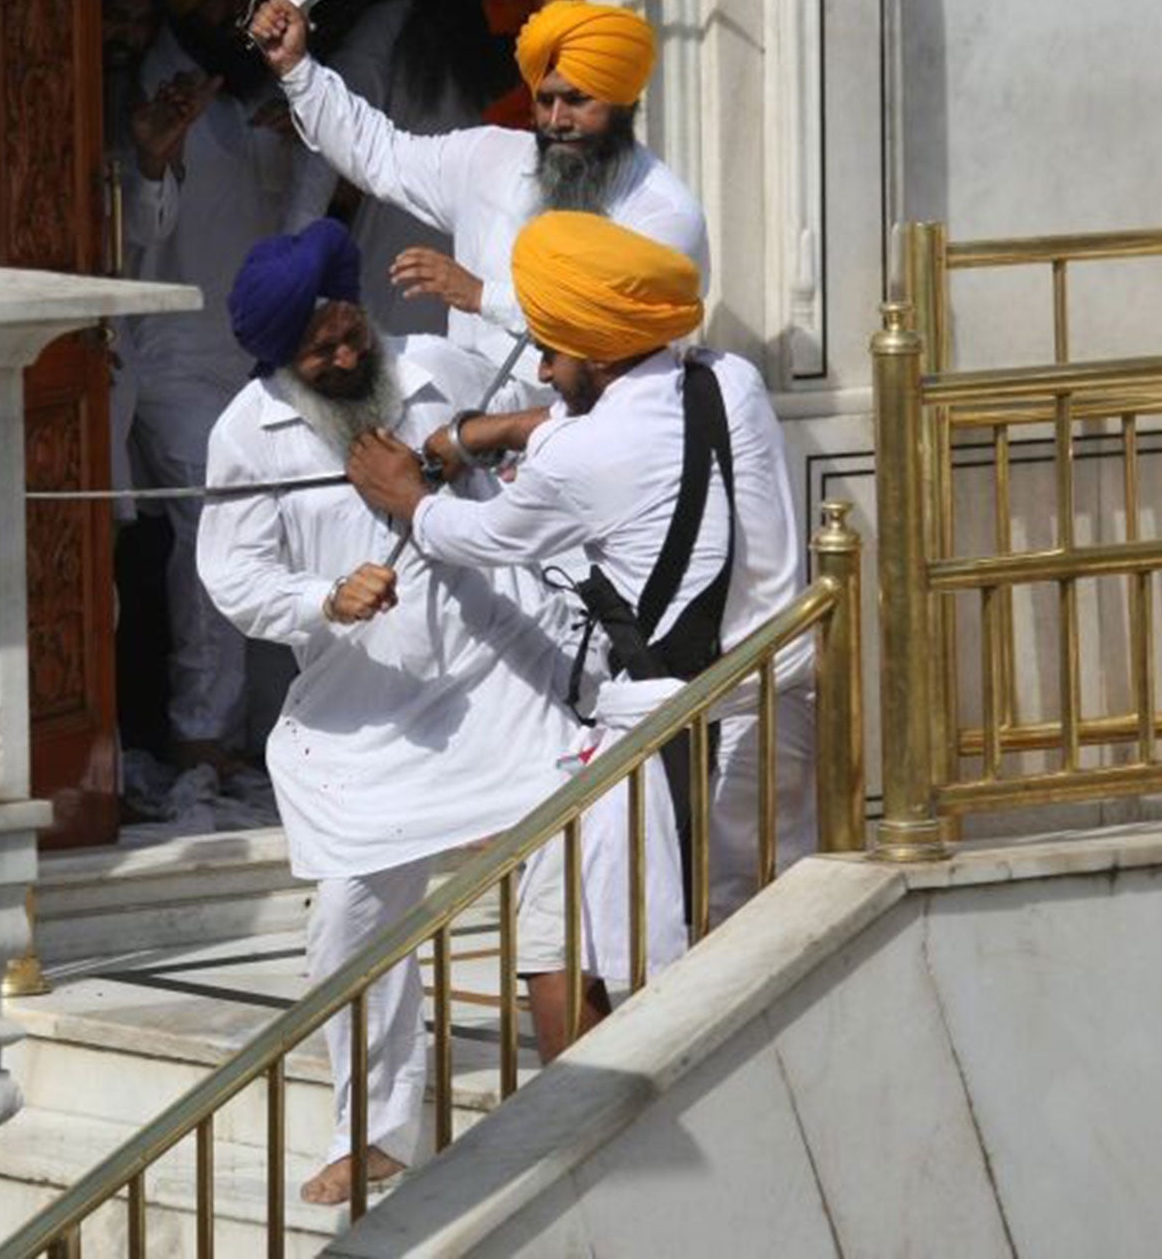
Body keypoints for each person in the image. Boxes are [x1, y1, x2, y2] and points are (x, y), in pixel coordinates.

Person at [195, 219, 593, 1203]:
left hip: (503, 675)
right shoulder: (246, 434)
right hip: (364, 711)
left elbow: (564, 430)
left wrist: (474, 451)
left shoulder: (439, 368)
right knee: (347, 920)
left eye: (347, 332)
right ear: (280, 358)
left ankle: (588, 1097)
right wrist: (321, 601)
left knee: (563, 877)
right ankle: (373, 1131)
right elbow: (232, 574)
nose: (341, 355)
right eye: (317, 349)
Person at [346, 210, 819, 935]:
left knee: (700, 942)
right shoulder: (733, 379)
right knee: (785, 923)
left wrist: (404, 494)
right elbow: (623, 429)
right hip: (787, 702)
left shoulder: (581, 458)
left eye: (550, 353)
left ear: (600, 357)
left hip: (702, 735)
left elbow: (473, 535)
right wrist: (494, 430)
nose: (540, 371)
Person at [247, 0, 709, 391]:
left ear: (624, 105)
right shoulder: (490, 158)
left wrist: (481, 296)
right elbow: (379, 154)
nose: (556, 121)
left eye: (577, 101)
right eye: (545, 100)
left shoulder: (663, 210)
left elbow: (612, 316)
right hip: (471, 437)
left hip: (591, 442)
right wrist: (296, 68)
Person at [114, 0, 307, 777]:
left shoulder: (262, 87)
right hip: (169, 359)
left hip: (257, 358)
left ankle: (272, 734)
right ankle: (199, 736)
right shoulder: (150, 81)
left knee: (287, 528)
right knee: (212, 534)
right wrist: (155, 156)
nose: (231, 4)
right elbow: (138, 237)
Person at [283, 0, 527, 338]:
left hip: (499, 273)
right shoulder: (391, 27)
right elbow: (332, 130)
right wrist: (297, 259)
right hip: (398, 272)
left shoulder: (523, 38)